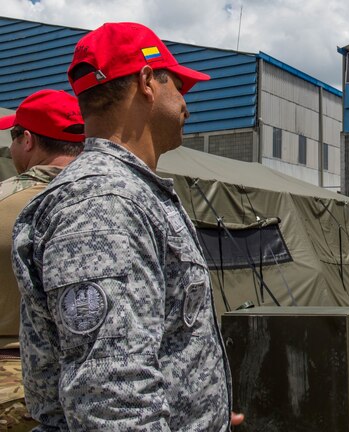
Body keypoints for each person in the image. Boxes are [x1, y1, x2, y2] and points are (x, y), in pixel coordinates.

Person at [12, 22, 242, 430]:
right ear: (148, 81)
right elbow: (112, 396)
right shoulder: (102, 205)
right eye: (179, 86)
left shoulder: (129, 193)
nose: (186, 104)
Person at [0, 89, 84, 431]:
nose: (10, 148)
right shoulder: (113, 202)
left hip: (12, 388)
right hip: (95, 391)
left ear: (29, 140)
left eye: (14, 137)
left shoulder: (5, 200)